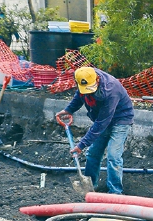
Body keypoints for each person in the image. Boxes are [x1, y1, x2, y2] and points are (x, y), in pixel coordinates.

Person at [57, 66, 134, 194]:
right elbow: (80, 95)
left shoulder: (111, 90)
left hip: (120, 119)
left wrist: (81, 145)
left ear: (97, 80)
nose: (87, 92)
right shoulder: (84, 77)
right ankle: (90, 186)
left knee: (113, 156)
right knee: (93, 154)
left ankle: (115, 192)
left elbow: (101, 123)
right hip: (102, 119)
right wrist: (69, 110)